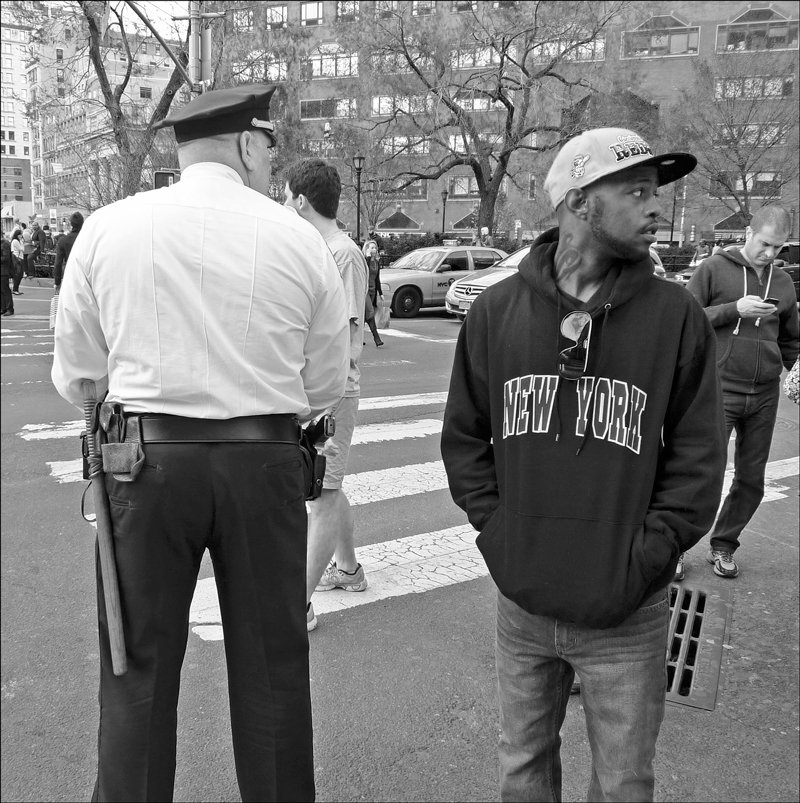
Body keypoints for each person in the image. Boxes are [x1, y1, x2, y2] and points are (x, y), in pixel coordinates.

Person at [51, 84, 349, 802]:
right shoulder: (295, 237)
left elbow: (79, 375)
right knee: (273, 673)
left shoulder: (108, 228)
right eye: (269, 144)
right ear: (246, 142)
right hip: (265, 463)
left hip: (145, 464)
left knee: (136, 677)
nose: (272, 159)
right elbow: (325, 381)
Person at [440, 127, 726, 802]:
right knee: (522, 770)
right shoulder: (496, 312)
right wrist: (503, 541)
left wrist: (644, 559)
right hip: (524, 606)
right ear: (576, 201)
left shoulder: (676, 317)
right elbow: (465, 441)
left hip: (628, 615)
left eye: (655, 194)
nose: (655, 208)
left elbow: (698, 461)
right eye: (634, 192)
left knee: (624, 782)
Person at [684, 206, 799, 579]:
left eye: (779, 248)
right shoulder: (714, 269)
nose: (770, 254)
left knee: (751, 477)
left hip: (765, 393)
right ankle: (675, 548)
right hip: (720, 388)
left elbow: (790, 340)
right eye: (765, 244)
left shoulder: (782, 284)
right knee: (702, 473)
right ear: (749, 233)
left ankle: (724, 545)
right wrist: (734, 309)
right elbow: (685, 320)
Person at [282, 158, 369, 633]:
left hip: (334, 391)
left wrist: (322, 396)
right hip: (320, 389)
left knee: (323, 494)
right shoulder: (319, 249)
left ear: (300, 200)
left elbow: (346, 337)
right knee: (328, 487)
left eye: (284, 194)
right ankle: (350, 571)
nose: (280, 202)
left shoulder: (342, 253)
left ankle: (299, 603)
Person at [53, 211, 84, 293]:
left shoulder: (63, 240)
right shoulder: (88, 238)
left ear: (71, 224)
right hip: (86, 274)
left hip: (70, 272)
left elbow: (58, 262)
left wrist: (57, 282)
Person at [362, 239, 384, 347]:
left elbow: (377, 279)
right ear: (367, 249)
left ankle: (357, 338)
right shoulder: (365, 261)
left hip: (373, 290)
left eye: (375, 248)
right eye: (371, 248)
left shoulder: (376, 262)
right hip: (364, 291)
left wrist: (381, 293)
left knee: (363, 315)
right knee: (370, 312)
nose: (374, 250)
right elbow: (364, 271)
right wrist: (367, 258)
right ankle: (377, 338)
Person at [1, 235, 13, 316]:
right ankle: (3, 308)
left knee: (5, 290)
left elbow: (6, 258)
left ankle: (9, 309)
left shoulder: (4, 244)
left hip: (3, 270)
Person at [10, 228, 25, 295]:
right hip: (17, 258)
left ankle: (16, 289)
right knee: (18, 274)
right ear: (17, 235)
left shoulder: (18, 241)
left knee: (19, 274)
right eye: (20, 234)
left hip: (19, 258)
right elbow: (21, 249)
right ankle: (15, 289)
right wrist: (22, 242)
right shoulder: (15, 241)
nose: (21, 235)